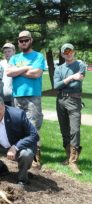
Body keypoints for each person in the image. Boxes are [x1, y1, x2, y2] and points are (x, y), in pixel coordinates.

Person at [6, 30, 46, 168]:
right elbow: (9, 72)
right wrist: (26, 68)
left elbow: (36, 74)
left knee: (33, 126)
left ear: (31, 40)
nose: (23, 42)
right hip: (17, 96)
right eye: (21, 40)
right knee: (18, 127)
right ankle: (21, 154)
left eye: (26, 40)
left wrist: (19, 70)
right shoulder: (14, 57)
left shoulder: (38, 56)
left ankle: (35, 157)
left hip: (32, 96)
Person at [54, 43, 86, 175]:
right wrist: (71, 77)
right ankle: (68, 157)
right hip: (61, 100)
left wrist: (65, 82)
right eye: (65, 52)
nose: (68, 53)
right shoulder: (59, 68)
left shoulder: (80, 65)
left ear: (74, 52)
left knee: (75, 130)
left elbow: (77, 83)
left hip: (74, 100)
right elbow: (56, 86)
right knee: (64, 130)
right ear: (62, 54)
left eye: (70, 51)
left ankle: (73, 161)